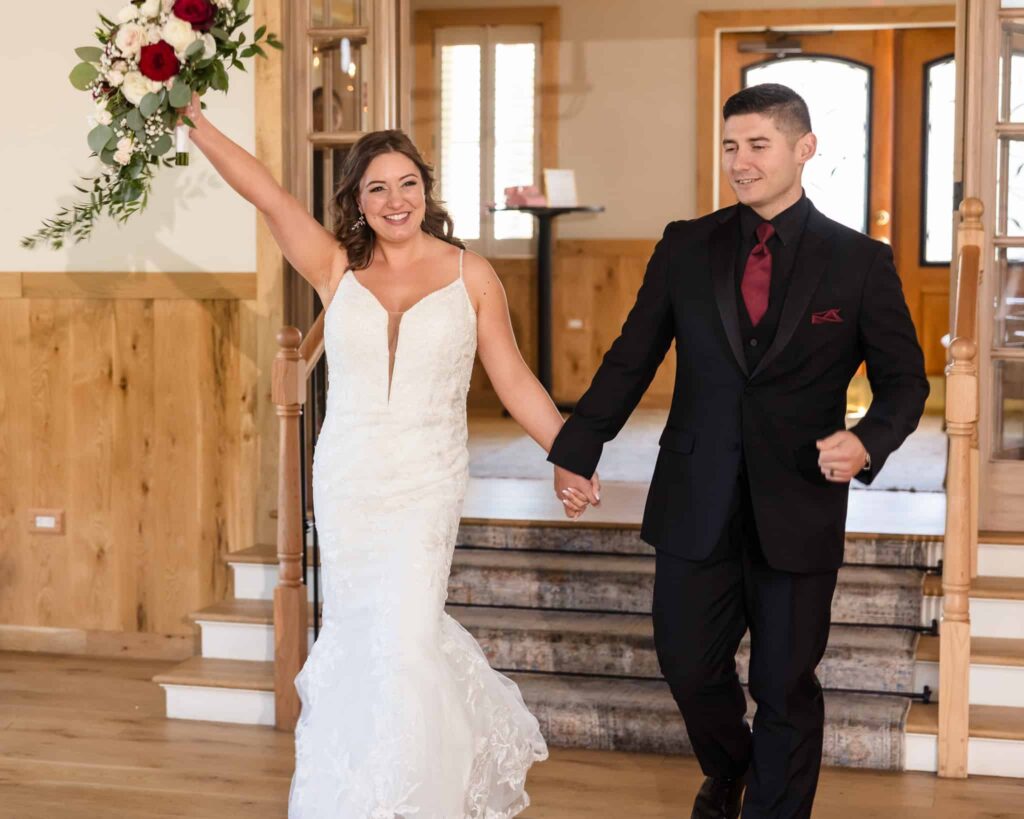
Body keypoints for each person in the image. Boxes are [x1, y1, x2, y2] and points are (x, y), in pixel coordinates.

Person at [182, 98, 592, 816]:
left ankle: (417, 799)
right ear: (357, 200)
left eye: (407, 183)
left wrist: (568, 453)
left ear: (426, 190)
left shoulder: (471, 275)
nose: (395, 200)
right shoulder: (335, 266)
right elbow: (266, 193)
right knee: (358, 639)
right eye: (377, 187)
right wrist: (193, 120)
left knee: (405, 640)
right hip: (349, 478)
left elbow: (513, 377)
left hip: (427, 480)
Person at [548, 83, 928, 819]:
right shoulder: (686, 245)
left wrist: (867, 440)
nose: (740, 162)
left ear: (804, 148)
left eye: (757, 145)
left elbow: (906, 382)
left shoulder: (859, 261)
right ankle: (730, 769)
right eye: (730, 146)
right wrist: (579, 445)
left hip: (799, 500)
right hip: (695, 494)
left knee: (784, 685)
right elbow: (632, 356)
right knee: (688, 665)